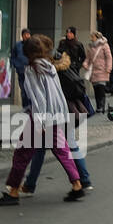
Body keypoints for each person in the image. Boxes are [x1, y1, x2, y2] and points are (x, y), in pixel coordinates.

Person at [0, 34, 86, 206]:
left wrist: (40, 122)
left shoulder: (32, 69)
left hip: (40, 118)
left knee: (22, 153)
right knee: (62, 150)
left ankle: (13, 192)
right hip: (55, 115)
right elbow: (57, 93)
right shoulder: (50, 66)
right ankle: (77, 185)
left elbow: (38, 98)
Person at [19, 47, 93, 197]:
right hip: (66, 111)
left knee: (66, 146)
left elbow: (44, 96)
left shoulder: (48, 70)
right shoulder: (62, 68)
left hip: (57, 113)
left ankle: (82, 180)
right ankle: (30, 184)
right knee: (48, 148)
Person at [87, 31, 113, 111]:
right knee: (96, 89)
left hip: (102, 70)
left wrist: (109, 67)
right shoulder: (91, 46)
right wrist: (85, 64)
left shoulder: (104, 45)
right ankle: (98, 106)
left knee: (101, 89)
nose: (91, 38)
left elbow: (109, 57)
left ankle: (102, 106)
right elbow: (88, 57)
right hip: (94, 71)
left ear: (97, 37)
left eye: (92, 37)